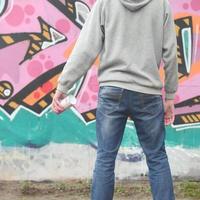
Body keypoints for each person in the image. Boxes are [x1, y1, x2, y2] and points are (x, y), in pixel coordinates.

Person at [51, 0, 178, 199]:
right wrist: (170, 96)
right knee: (156, 157)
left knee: (105, 158)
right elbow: (171, 53)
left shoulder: (105, 3)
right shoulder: (161, 4)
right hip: (148, 93)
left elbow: (86, 47)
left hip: (112, 90)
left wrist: (64, 85)